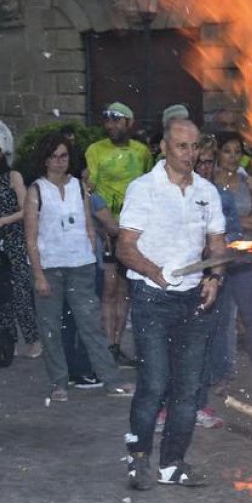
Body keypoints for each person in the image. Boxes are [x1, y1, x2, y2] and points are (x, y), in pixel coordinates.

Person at [117, 118, 226, 490]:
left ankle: (172, 464)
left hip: (193, 300)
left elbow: (217, 244)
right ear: (164, 147)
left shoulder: (207, 192)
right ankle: (138, 458)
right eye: (182, 146)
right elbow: (124, 247)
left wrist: (215, 277)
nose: (189, 154)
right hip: (152, 298)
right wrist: (155, 271)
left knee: (188, 387)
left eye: (195, 147)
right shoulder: (143, 189)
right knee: (154, 382)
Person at [24, 133, 132, 402]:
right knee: (51, 328)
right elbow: (30, 236)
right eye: (53, 157)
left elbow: (88, 222)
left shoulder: (80, 186)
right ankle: (59, 382)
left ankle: (112, 380)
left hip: (80, 264)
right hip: (49, 267)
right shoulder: (36, 190)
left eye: (63, 156)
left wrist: (90, 253)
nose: (59, 162)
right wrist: (38, 275)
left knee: (91, 325)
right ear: (45, 160)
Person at [207, 132, 252, 399]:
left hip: (242, 257)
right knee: (221, 320)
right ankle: (223, 375)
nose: (233, 157)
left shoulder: (251, 184)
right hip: (216, 259)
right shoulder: (208, 184)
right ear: (218, 153)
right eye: (227, 151)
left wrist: (228, 225)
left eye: (237, 152)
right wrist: (235, 224)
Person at [85, 102, 152, 367]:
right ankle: (107, 344)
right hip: (105, 227)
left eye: (117, 121)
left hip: (132, 229)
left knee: (125, 289)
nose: (111, 126)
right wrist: (104, 221)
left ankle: (116, 345)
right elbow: (89, 189)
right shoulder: (95, 150)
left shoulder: (142, 152)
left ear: (129, 122)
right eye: (107, 121)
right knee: (109, 288)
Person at [0, 137, 40, 359]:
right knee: (0, 293)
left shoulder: (12, 176)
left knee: (21, 290)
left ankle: (33, 339)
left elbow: (25, 209)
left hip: (14, 239)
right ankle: (8, 340)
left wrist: (3, 221)